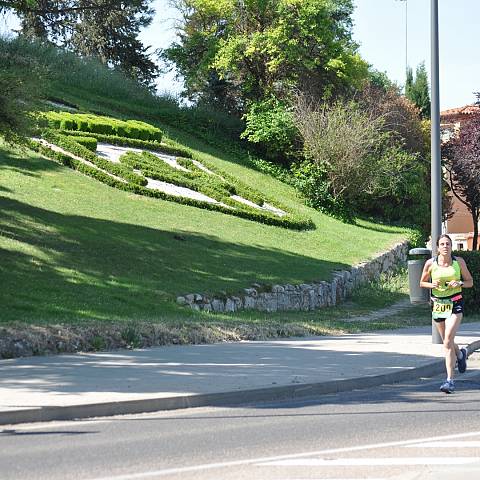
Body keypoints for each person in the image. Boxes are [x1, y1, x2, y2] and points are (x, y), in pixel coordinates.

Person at [420, 234, 473, 393]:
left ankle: (449, 380)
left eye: (448, 244)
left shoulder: (459, 262)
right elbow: (421, 282)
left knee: (448, 339)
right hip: (438, 305)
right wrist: (431, 284)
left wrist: (460, 282)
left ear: (451, 246)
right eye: (442, 244)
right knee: (446, 342)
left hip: (455, 303)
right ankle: (461, 354)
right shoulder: (430, 263)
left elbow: (470, 282)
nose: (445, 247)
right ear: (437, 247)